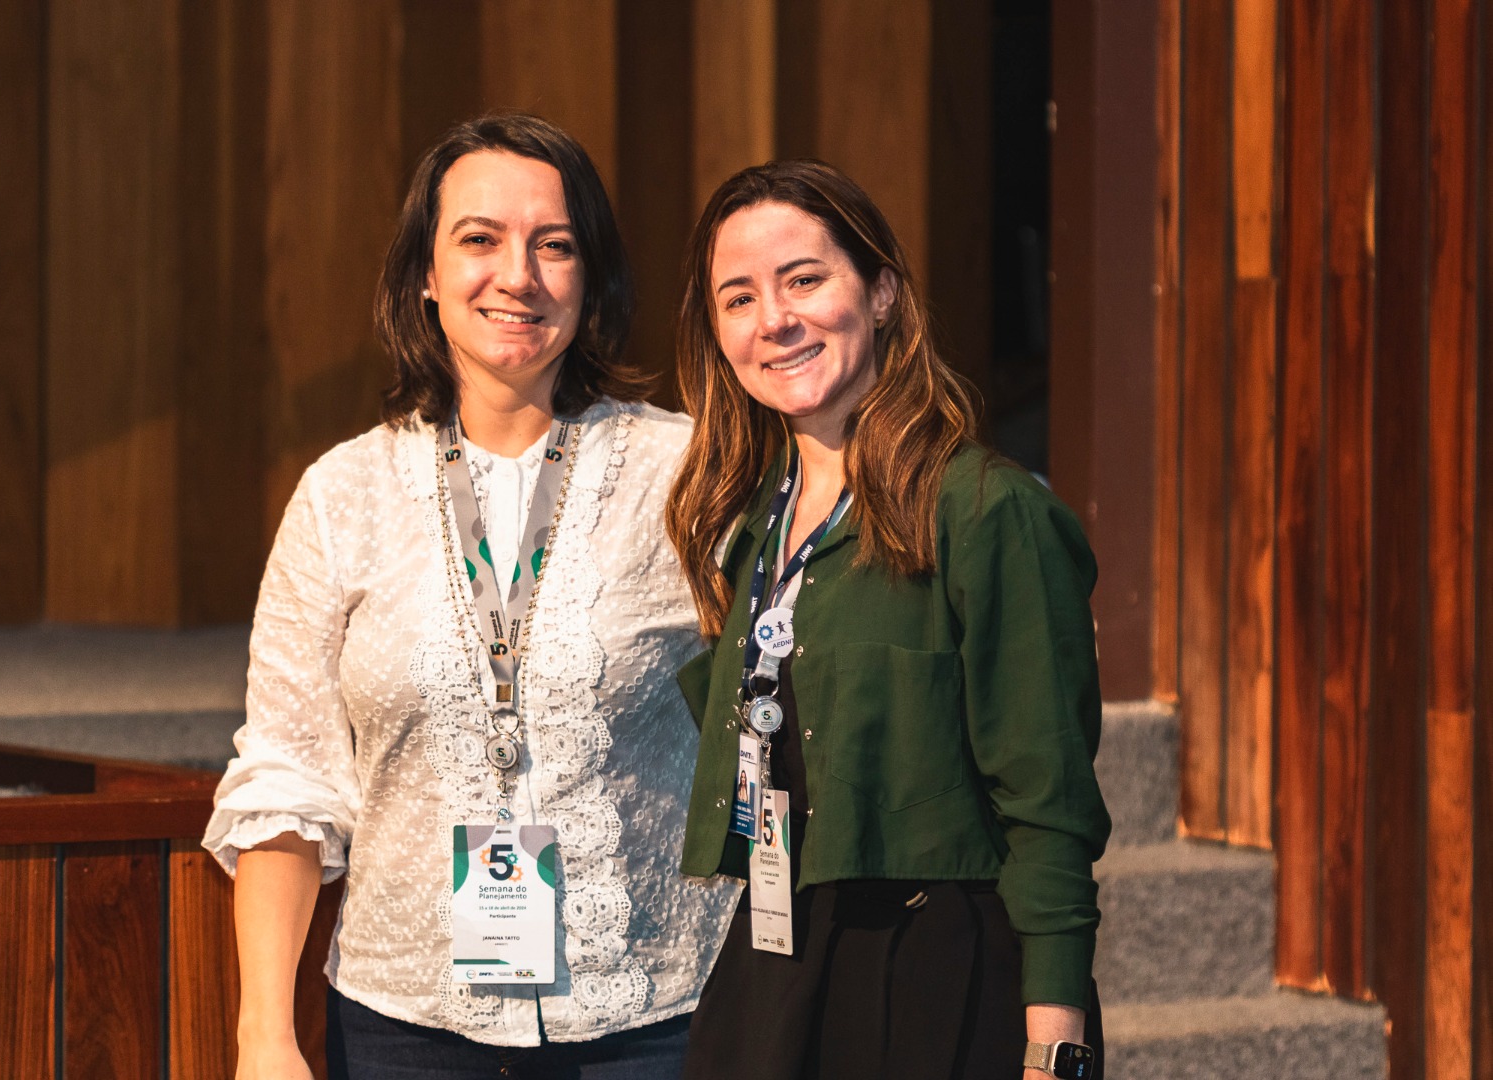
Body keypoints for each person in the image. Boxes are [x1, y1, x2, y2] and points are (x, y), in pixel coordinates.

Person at [204, 113, 736, 1080]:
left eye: (555, 245)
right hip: (404, 1025)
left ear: (592, 277)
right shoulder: (341, 494)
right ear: (426, 272)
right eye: (480, 239)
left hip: (653, 1018)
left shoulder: (690, 475)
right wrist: (264, 1036)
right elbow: (288, 775)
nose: (517, 276)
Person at [665, 160, 1111, 1080]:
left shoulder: (985, 511)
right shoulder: (747, 525)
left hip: (937, 973)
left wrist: (1053, 1046)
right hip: (779, 952)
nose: (774, 320)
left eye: (804, 280)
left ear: (882, 294)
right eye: (739, 298)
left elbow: (1050, 806)